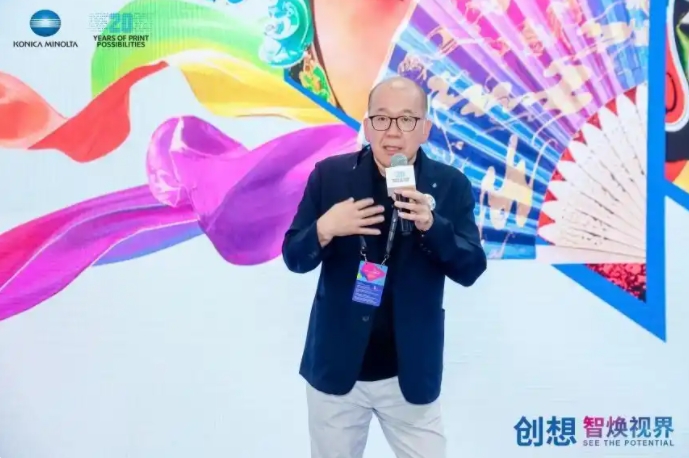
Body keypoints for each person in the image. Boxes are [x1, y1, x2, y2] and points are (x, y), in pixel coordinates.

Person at [281, 76, 487, 458]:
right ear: (367, 124)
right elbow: (294, 257)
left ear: (425, 129)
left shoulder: (449, 185)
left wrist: (431, 225)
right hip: (337, 366)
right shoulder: (330, 176)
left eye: (406, 119)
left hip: (409, 370)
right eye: (381, 118)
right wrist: (325, 228)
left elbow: (471, 268)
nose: (392, 131)